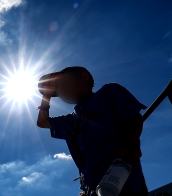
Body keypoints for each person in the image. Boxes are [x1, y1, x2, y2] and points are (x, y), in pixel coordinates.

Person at [36, 66, 149, 196]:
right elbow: (42, 122)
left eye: (63, 83)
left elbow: (133, 118)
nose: (61, 91)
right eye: (57, 91)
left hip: (121, 177)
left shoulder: (108, 92)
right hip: (93, 187)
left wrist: (129, 151)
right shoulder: (71, 120)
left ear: (84, 76)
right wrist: (46, 95)